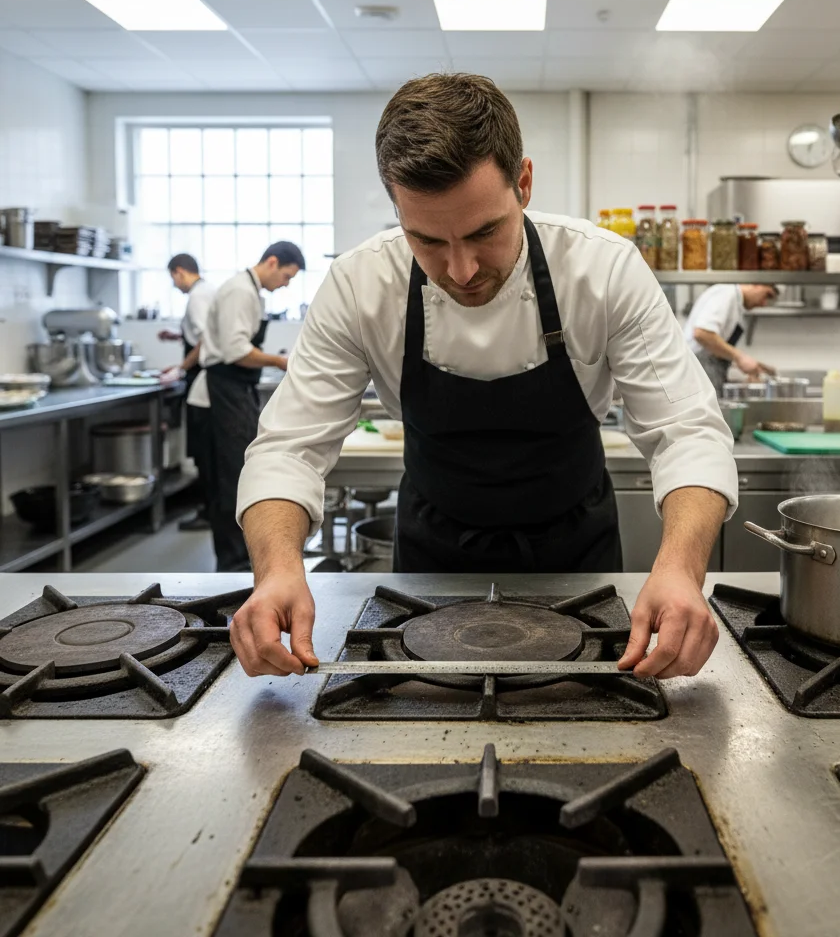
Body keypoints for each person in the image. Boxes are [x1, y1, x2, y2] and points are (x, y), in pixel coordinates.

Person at [230, 73, 738, 682]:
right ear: (396, 209)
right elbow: (290, 446)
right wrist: (279, 568)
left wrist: (681, 570)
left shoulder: (603, 271)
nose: (461, 269)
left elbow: (687, 431)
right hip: (428, 561)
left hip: (579, 554)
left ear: (523, 183)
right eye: (426, 240)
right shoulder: (359, 284)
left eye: (484, 232)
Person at [187, 241, 304, 572]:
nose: (285, 283)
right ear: (270, 262)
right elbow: (237, 351)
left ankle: (241, 559)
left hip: (235, 391)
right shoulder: (240, 291)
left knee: (239, 476)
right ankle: (232, 565)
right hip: (220, 394)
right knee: (230, 482)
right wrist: (281, 361)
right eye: (286, 275)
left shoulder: (252, 292)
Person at [158, 253, 215, 530]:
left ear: (179, 272)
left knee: (204, 451)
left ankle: (208, 511)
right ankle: (210, 508)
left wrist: (180, 369)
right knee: (206, 450)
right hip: (203, 377)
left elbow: (206, 341)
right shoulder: (207, 292)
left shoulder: (197, 297)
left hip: (202, 380)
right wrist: (178, 335)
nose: (175, 284)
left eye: (173, 277)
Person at [683, 283, 778, 395]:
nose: (764, 303)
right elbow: (702, 333)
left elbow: (714, 348)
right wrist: (739, 357)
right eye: (767, 295)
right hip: (697, 378)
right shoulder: (726, 294)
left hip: (706, 377)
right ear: (755, 283)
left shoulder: (736, 303)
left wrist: (744, 363)